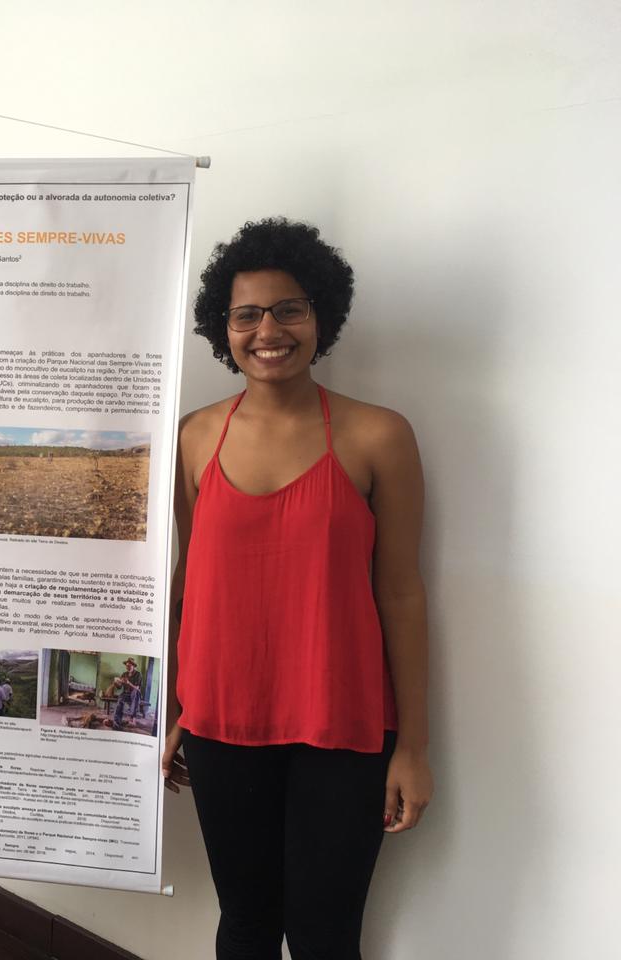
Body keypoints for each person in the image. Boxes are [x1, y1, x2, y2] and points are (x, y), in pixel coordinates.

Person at [160, 218, 433, 959]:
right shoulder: (192, 437)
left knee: (323, 936)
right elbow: (189, 581)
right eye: (247, 314)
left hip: (342, 723)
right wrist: (178, 701)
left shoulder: (378, 435)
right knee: (245, 924)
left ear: (322, 318)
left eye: (289, 309)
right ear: (225, 329)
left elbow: (403, 594)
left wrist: (412, 745)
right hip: (222, 723)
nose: (268, 330)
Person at [110, 658, 143, 730]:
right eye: (126, 665)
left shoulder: (138, 674)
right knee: (120, 700)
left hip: (135, 694)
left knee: (135, 693)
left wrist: (128, 683)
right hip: (126, 694)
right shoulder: (124, 674)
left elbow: (137, 688)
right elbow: (119, 687)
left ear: (133, 666)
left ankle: (132, 718)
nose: (127, 667)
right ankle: (116, 723)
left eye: (129, 666)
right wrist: (117, 683)